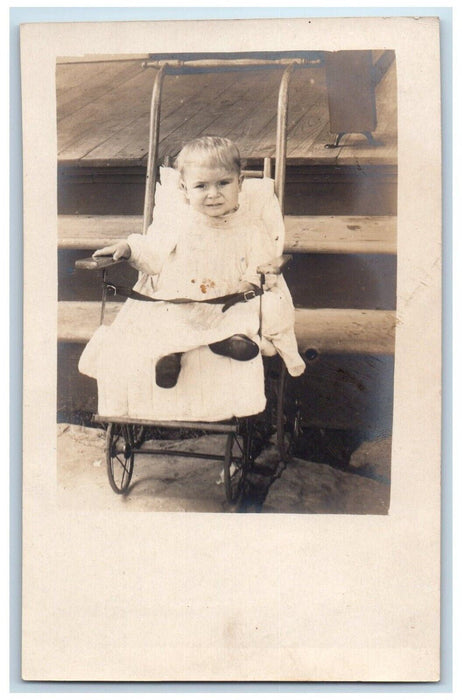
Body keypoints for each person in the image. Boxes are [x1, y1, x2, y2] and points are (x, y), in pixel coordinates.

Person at [79, 136, 305, 414]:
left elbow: (262, 261)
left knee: (246, 313)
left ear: (240, 183)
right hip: (181, 300)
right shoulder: (178, 224)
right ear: (185, 190)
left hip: (228, 299)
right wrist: (128, 248)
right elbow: (153, 249)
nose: (213, 194)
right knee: (163, 318)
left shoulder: (250, 227)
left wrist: (248, 283)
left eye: (223, 183)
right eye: (201, 186)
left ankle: (231, 341)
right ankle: (170, 357)